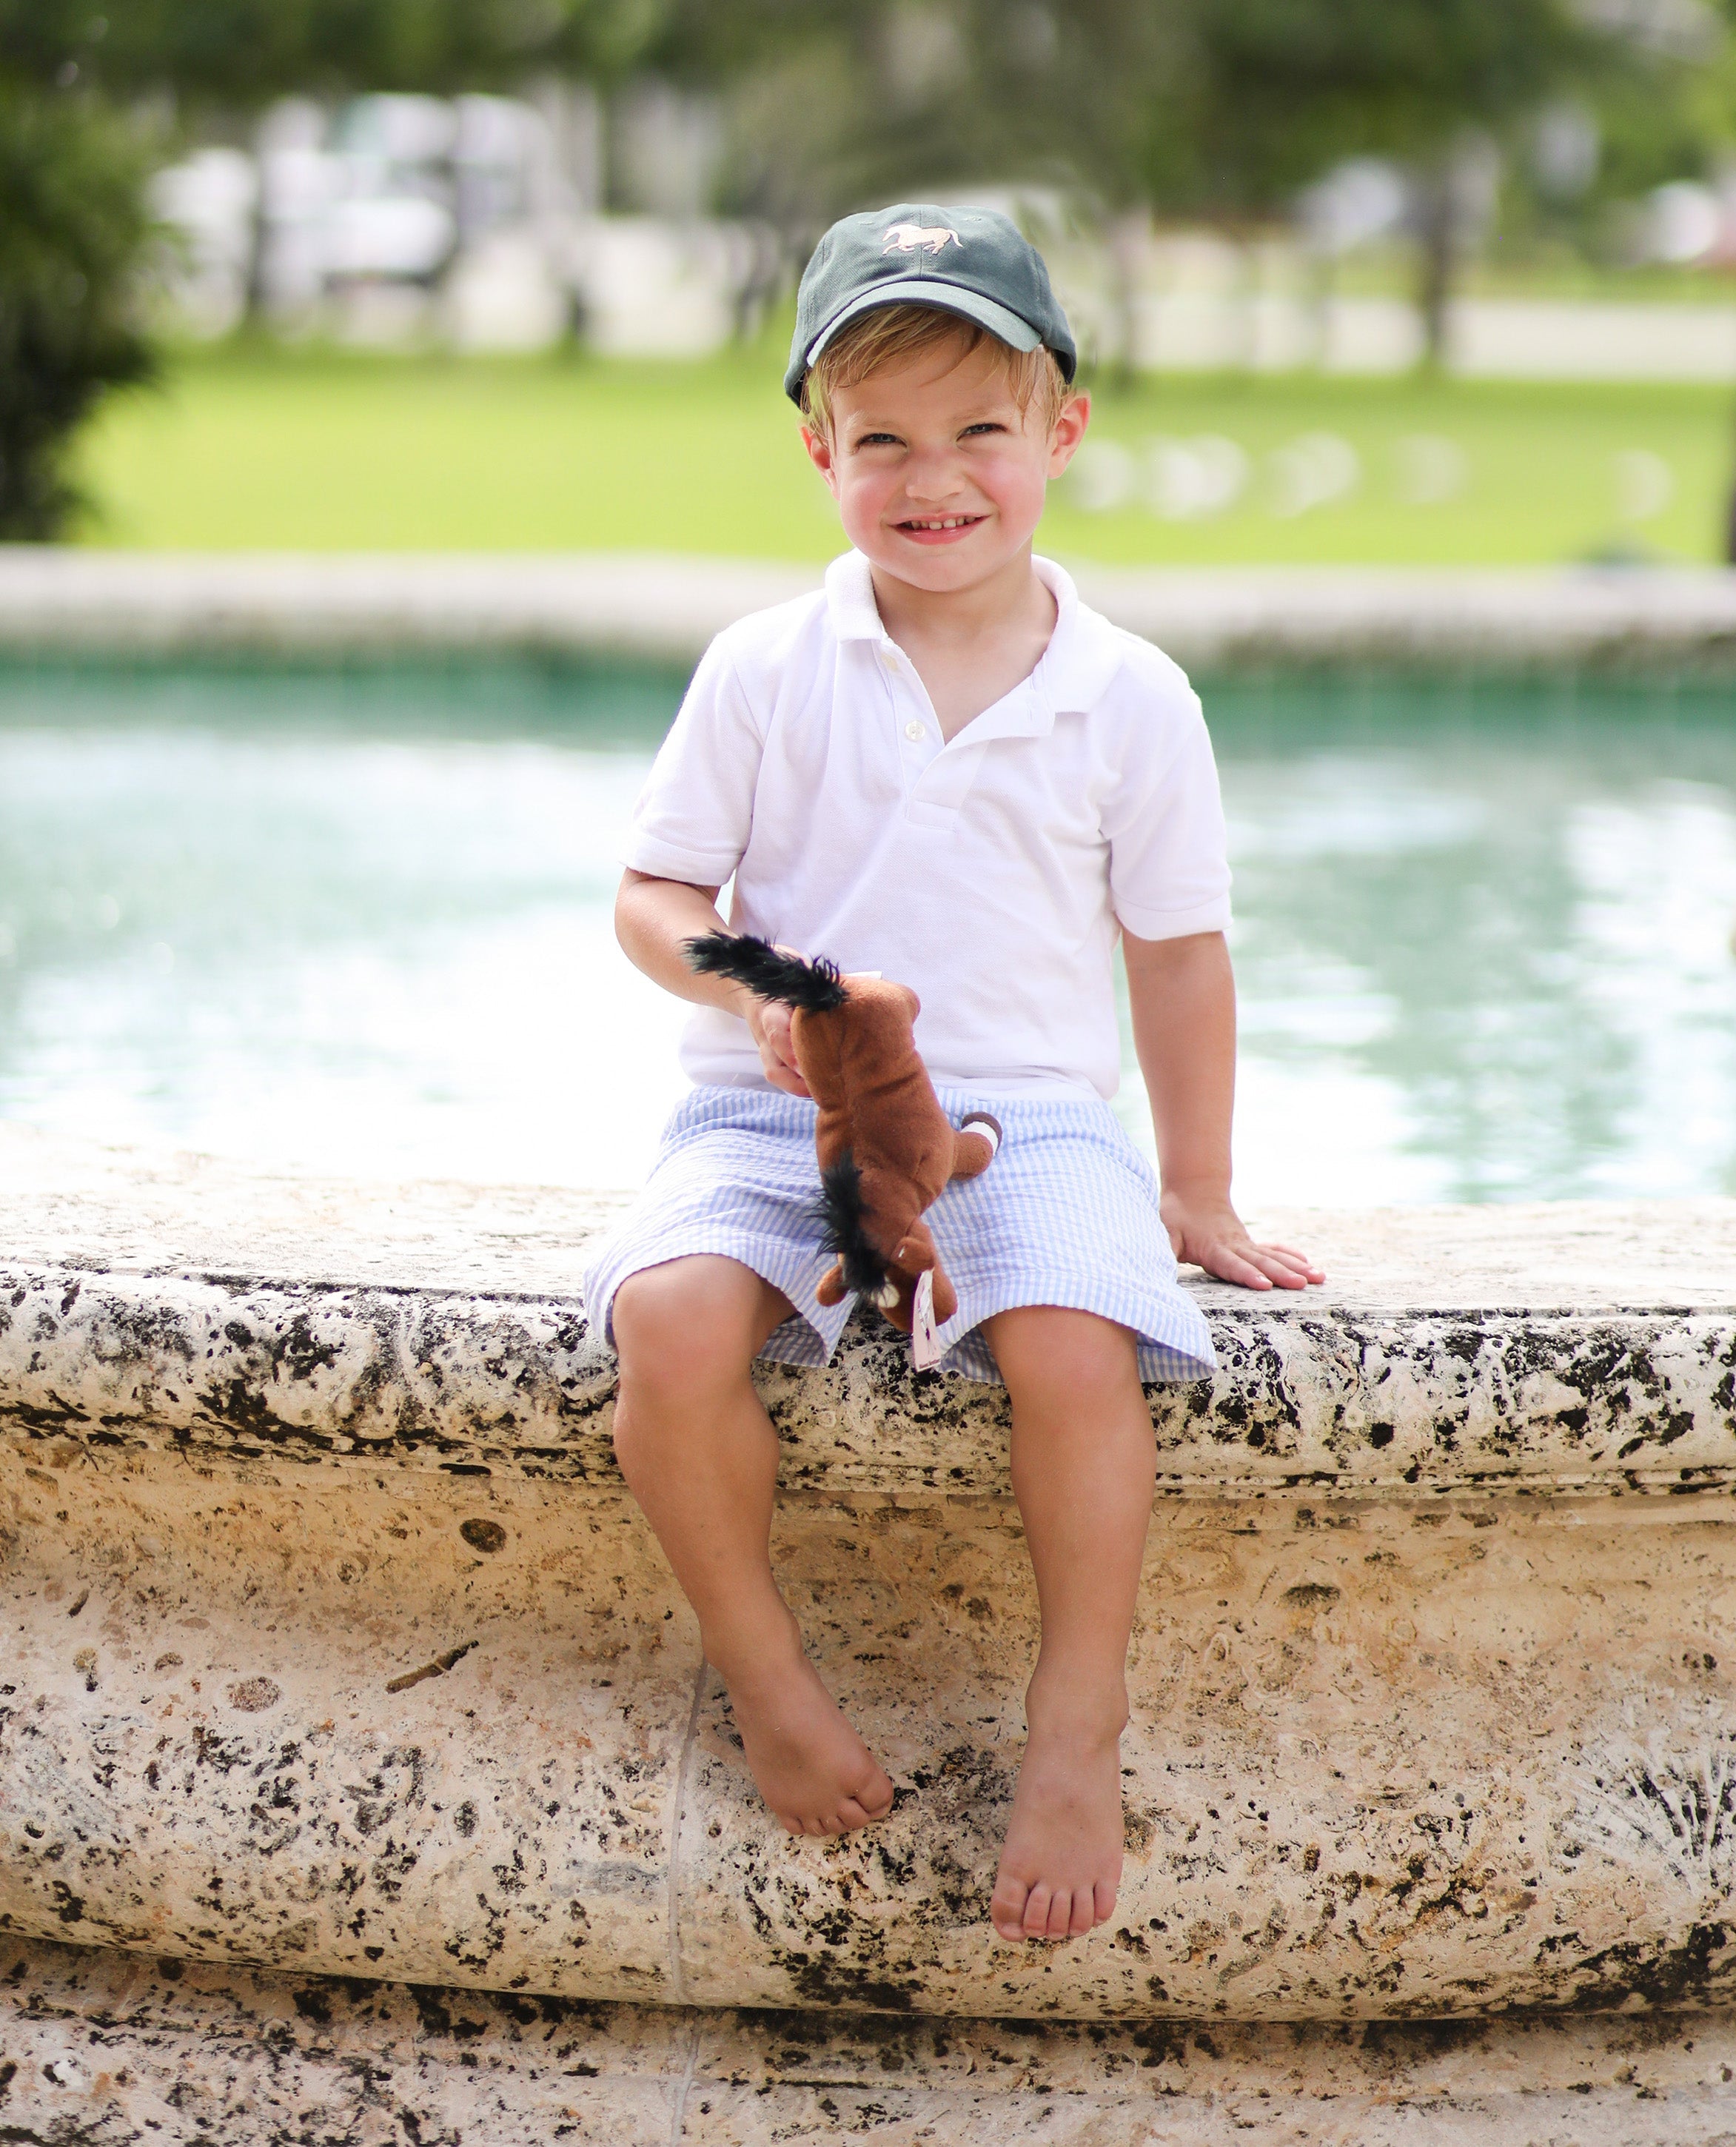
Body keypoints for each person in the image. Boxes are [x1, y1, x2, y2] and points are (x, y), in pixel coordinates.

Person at [584, 201, 1323, 1948]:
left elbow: (1178, 951)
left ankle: (1075, 1725)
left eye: (981, 429)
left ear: (1060, 429)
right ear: (816, 449)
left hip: (1037, 1114)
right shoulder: (764, 670)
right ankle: (764, 1677)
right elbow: (652, 895)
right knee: (669, 1325)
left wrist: (1194, 1186)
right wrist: (760, 996)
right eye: (884, 440)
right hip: (775, 1105)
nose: (937, 478)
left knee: (1077, 1352)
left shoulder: (1129, 697)